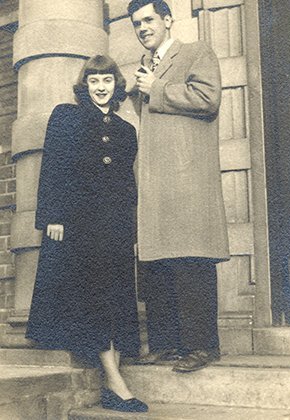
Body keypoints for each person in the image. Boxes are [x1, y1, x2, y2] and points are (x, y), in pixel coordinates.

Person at [26, 55, 148, 413]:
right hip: (79, 226)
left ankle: (115, 379)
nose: (100, 86)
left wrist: (134, 229)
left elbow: (128, 184)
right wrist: (53, 215)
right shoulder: (66, 115)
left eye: (106, 80)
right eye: (93, 80)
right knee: (96, 296)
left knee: (117, 296)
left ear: (116, 84)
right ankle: (115, 382)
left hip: (116, 226)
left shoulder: (126, 130)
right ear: (85, 84)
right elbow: (53, 167)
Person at [128, 0, 230, 373]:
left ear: (168, 20)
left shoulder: (196, 52)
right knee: (158, 262)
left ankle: (203, 347)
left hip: (187, 176)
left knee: (191, 258)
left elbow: (208, 98)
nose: (142, 28)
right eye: (136, 23)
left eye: (149, 20)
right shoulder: (145, 67)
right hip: (155, 179)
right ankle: (166, 344)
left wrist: (158, 87)